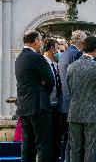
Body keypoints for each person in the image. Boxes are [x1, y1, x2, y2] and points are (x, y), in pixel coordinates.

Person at [15, 30, 55, 162]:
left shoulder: (19, 58)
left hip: (24, 107)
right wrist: (43, 90)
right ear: (36, 41)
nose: (41, 43)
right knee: (43, 145)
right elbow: (50, 80)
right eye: (40, 40)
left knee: (27, 146)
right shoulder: (37, 57)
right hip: (38, 106)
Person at [67, 36, 96, 162]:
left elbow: (70, 88)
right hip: (92, 112)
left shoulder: (71, 67)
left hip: (74, 111)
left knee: (75, 148)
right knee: (91, 147)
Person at [58, 30, 87, 162]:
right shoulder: (76, 54)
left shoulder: (65, 53)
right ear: (81, 41)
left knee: (67, 139)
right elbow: (79, 79)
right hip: (73, 103)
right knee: (74, 140)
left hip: (64, 102)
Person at [42, 38, 62, 162]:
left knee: (56, 140)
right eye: (58, 49)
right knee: (46, 141)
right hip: (46, 107)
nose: (59, 52)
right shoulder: (42, 62)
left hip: (56, 107)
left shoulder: (56, 65)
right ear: (52, 49)